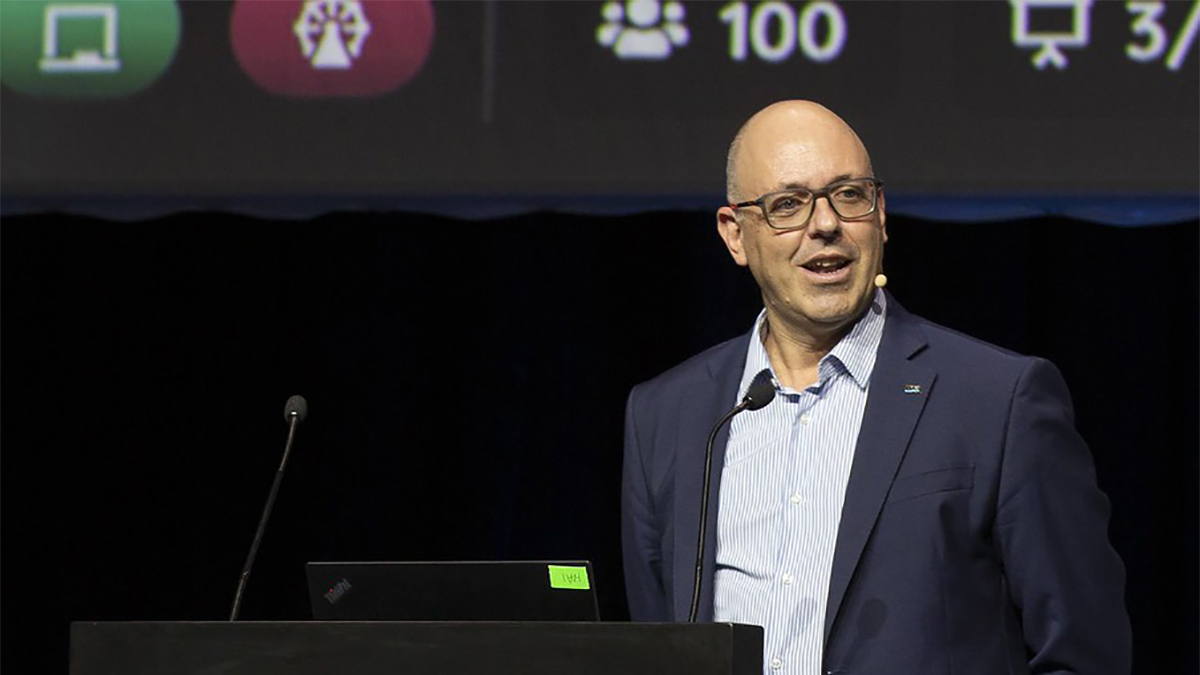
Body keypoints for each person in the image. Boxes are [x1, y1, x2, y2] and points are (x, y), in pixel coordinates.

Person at [620, 100, 1130, 674]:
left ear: (881, 213)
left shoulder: (998, 399)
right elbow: (656, 646)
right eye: (788, 205)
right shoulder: (668, 414)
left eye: (850, 195)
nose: (826, 224)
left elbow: (1084, 651)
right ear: (736, 235)